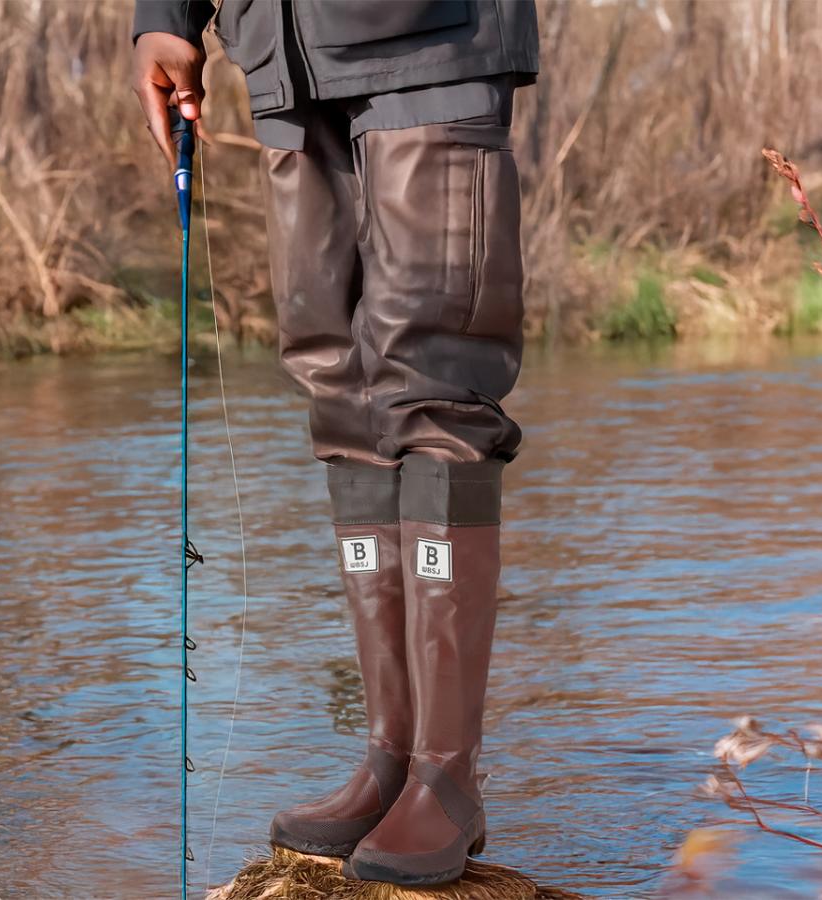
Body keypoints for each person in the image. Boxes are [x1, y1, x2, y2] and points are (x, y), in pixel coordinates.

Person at [132, 0, 539, 887]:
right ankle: (393, 754)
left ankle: (446, 774)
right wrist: (166, 14)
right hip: (281, 60)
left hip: (428, 43)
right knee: (338, 386)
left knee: (435, 385)